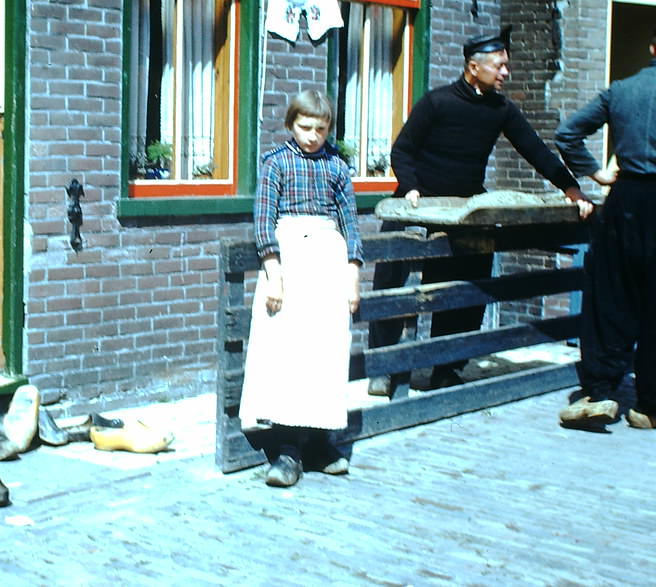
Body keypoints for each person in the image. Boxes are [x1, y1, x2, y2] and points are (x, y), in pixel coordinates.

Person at [367, 26, 593, 396]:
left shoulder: (500, 110)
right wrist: (409, 186)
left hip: (467, 209)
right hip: (416, 205)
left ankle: (447, 365)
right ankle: (384, 368)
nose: (506, 73)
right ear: (474, 67)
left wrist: (570, 188)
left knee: (466, 285)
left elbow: (535, 150)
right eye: (500, 66)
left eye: (507, 66)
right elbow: (402, 150)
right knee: (392, 285)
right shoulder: (436, 102)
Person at [239, 90, 362, 487]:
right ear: (291, 124)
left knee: (323, 353)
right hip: (288, 261)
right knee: (287, 353)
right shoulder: (275, 164)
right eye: (305, 127)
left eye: (320, 129)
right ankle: (287, 452)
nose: (312, 136)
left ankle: (320, 444)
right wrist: (275, 275)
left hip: (328, 260)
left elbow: (351, 226)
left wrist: (353, 276)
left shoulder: (338, 168)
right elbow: (263, 223)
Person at [553, 29, 656, 431]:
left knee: (612, 297)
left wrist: (596, 172)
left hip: (626, 200)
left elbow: (567, 134)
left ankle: (602, 392)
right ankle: (648, 406)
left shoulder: (621, 91)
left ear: (651, 47)